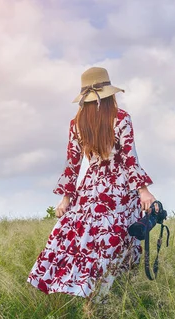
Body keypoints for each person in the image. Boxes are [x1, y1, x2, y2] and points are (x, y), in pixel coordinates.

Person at [27, 66, 156, 302]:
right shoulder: (120, 118)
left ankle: (89, 291)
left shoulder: (76, 123)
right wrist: (144, 190)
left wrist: (66, 198)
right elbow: (130, 158)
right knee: (118, 238)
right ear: (110, 94)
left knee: (85, 238)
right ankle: (104, 295)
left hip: (91, 188)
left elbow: (72, 165)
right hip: (119, 189)